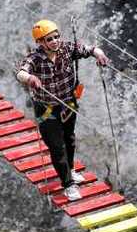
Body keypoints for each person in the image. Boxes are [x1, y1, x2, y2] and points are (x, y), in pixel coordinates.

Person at [16, 20, 110, 201]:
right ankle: (68, 184)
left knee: (69, 139)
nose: (54, 41)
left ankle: (71, 170)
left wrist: (99, 54)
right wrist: (30, 78)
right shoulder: (35, 58)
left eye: (56, 36)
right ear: (40, 42)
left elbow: (89, 49)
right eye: (49, 39)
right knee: (57, 146)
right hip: (47, 110)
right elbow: (21, 72)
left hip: (68, 104)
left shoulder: (67, 49)